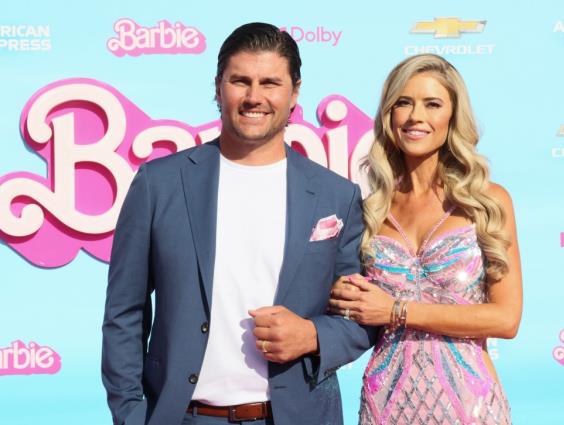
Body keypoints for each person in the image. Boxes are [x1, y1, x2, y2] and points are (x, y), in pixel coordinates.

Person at [102, 22, 376, 425]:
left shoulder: (337, 196)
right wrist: (130, 413)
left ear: (295, 92)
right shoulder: (159, 184)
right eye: (240, 81)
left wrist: (313, 336)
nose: (254, 97)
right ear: (218, 87)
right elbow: (124, 312)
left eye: (270, 82)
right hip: (185, 416)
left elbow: (360, 315)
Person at [329, 54, 522, 424]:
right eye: (404, 102)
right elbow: (351, 304)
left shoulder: (487, 202)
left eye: (432, 104)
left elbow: (506, 318)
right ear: (390, 115)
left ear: (452, 116)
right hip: (386, 402)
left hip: (470, 404)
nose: (416, 115)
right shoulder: (369, 211)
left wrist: (397, 311)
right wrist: (344, 297)